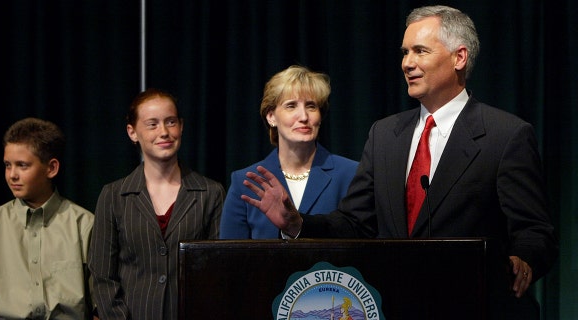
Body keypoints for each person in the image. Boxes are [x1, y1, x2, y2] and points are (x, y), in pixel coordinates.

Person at [241, 5, 557, 318]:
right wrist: (297, 223)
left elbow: (535, 231)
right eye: (405, 52)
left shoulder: (506, 135)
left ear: (459, 57)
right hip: (398, 306)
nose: (407, 63)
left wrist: (524, 259)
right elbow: (354, 223)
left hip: (477, 306)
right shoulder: (385, 135)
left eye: (420, 51)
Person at [88, 88, 225, 319]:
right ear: (132, 132)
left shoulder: (210, 193)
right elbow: (102, 277)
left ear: (181, 126)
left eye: (170, 122)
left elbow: (219, 273)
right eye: (152, 124)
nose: (164, 132)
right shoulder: (113, 196)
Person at [0, 118, 96, 319]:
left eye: (22, 165)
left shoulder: (84, 225)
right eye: (8, 165)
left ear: (51, 168)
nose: (12, 175)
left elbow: (99, 307)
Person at [220, 65, 358, 239]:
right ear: (271, 117)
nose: (303, 116)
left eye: (311, 106)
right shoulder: (245, 182)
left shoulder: (351, 174)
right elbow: (229, 259)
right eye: (291, 106)